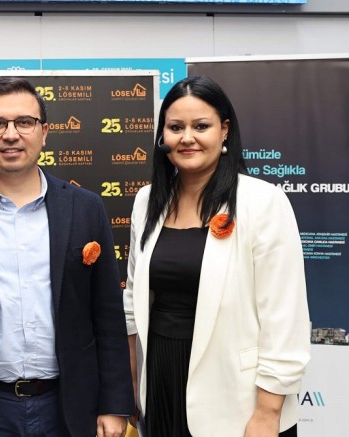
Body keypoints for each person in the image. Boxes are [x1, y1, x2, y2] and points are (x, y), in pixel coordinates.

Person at [0, 77, 134, 437]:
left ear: (44, 133)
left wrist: (114, 404)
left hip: (69, 406)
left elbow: (108, 315)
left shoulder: (85, 208)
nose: (11, 134)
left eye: (24, 122)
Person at [123, 76, 310, 437]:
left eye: (201, 126)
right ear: (162, 136)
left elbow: (285, 316)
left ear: (224, 130)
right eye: (175, 127)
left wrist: (268, 411)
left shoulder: (261, 201)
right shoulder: (147, 201)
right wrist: (130, 380)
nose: (187, 138)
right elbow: (133, 303)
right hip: (161, 377)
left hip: (237, 397)